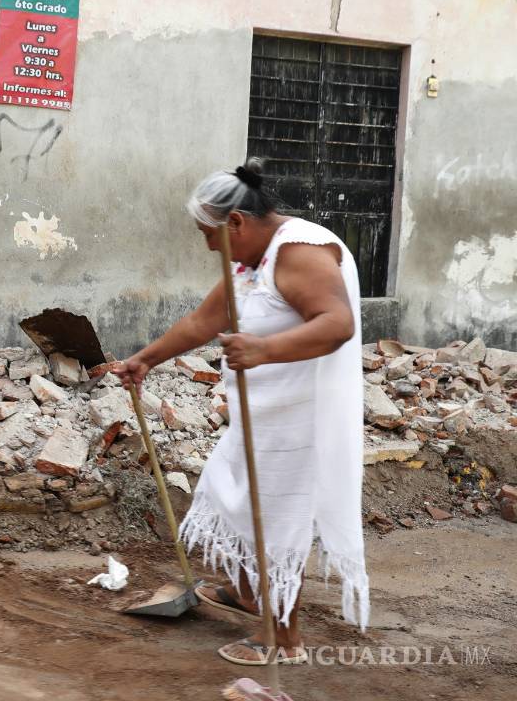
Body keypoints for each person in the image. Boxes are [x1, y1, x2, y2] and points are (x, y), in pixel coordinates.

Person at [110, 158, 369, 666]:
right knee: (231, 494)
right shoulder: (252, 260)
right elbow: (204, 321)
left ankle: (284, 640)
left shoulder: (299, 253)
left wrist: (263, 350)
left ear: (235, 223)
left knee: (276, 521)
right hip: (261, 413)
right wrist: (146, 359)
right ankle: (250, 595)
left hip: (301, 418)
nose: (208, 246)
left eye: (208, 234)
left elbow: (338, 324)